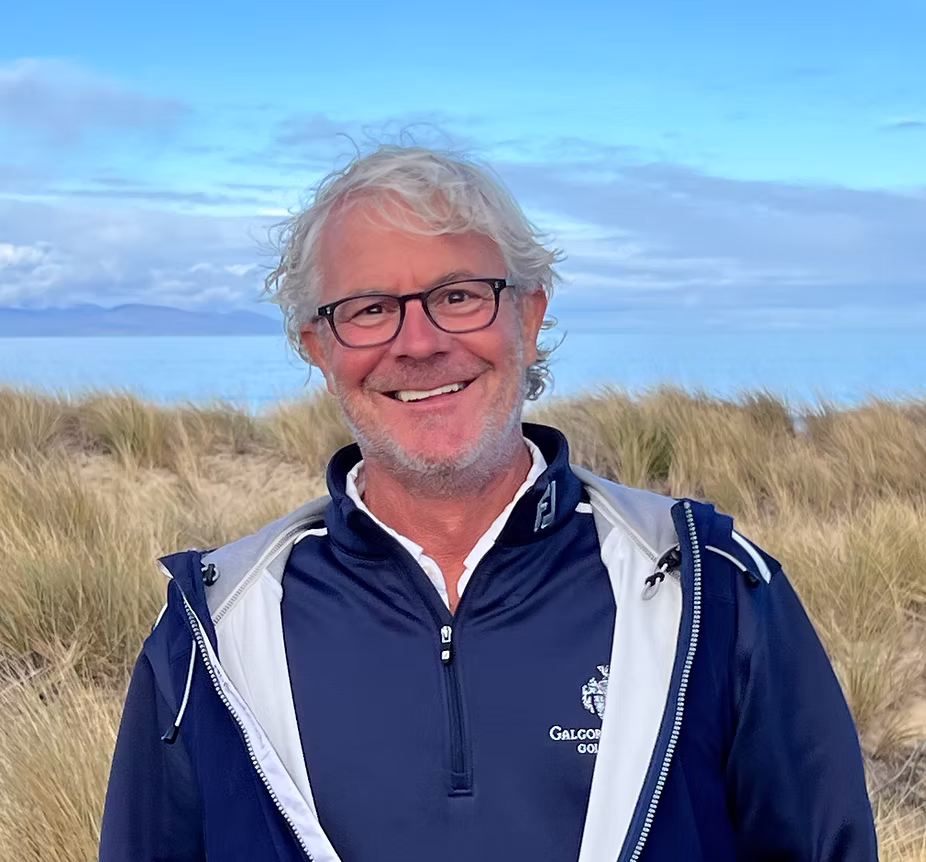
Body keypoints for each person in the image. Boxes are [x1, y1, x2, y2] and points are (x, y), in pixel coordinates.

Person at [100, 146, 877, 862]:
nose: (419, 341)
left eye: (460, 295)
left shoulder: (711, 594)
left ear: (530, 318)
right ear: (317, 344)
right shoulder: (213, 634)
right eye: (369, 308)